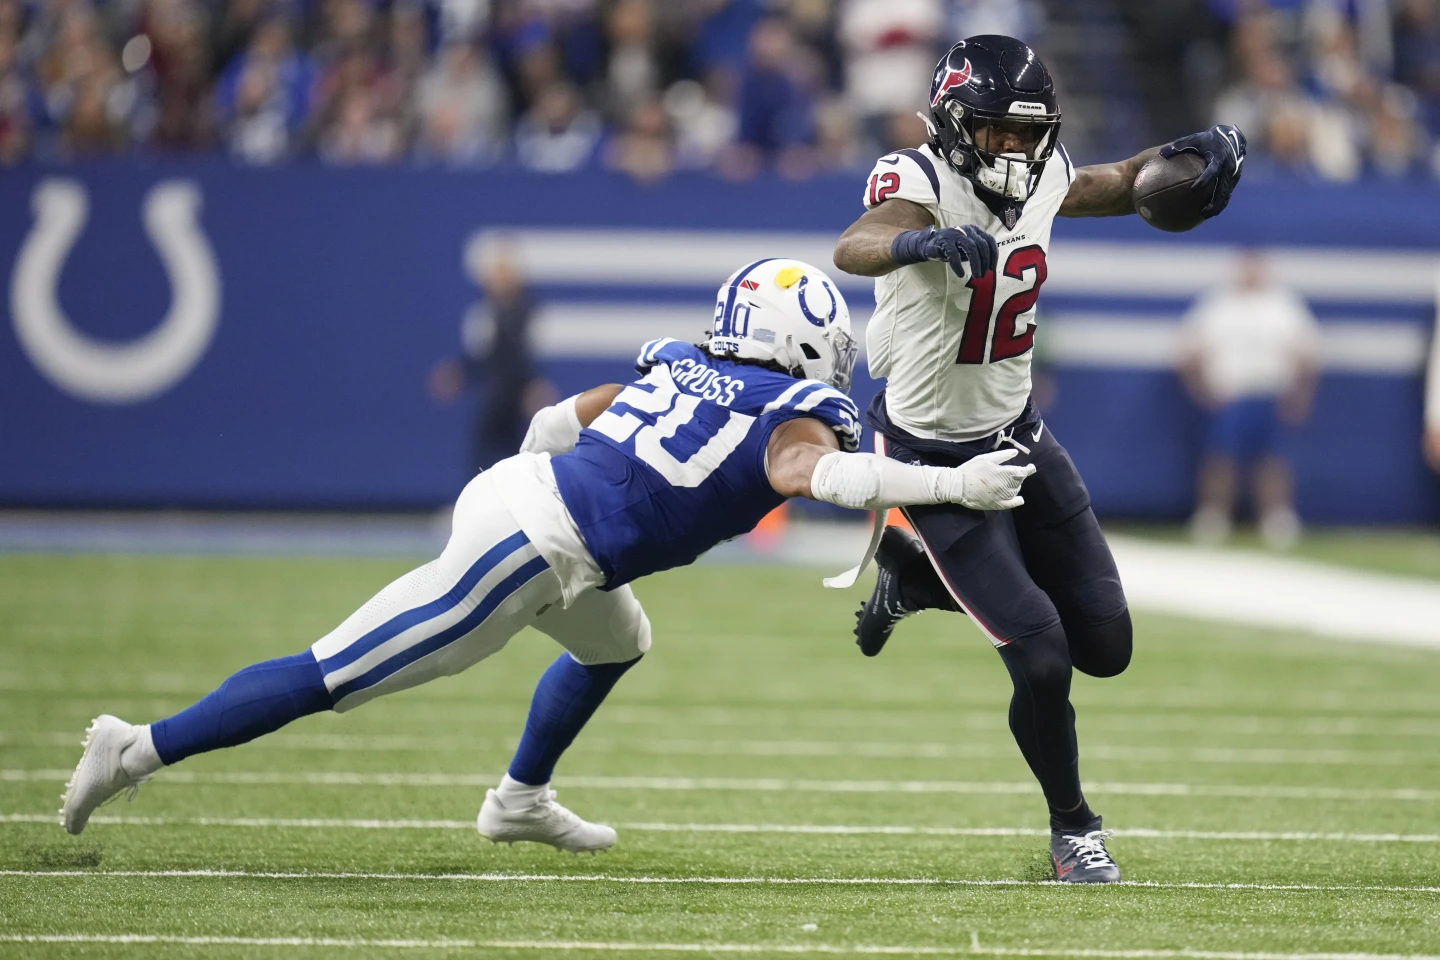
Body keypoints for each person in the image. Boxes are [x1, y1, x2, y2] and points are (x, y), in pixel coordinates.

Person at [59, 258, 1035, 850]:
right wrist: (952, 484)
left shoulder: (679, 365)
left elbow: (550, 419)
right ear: (802, 344)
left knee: (617, 640)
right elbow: (835, 482)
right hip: (533, 546)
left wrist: (526, 495)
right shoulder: (792, 420)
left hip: (533, 519)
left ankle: (519, 800)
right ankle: (134, 747)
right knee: (332, 676)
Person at [830, 35, 1246, 884]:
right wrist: (916, 245)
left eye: (1029, 134)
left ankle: (911, 580)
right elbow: (860, 241)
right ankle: (1073, 830)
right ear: (952, 124)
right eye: (997, 132)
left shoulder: (1045, 173)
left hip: (1019, 437)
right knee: (1044, 656)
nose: (1016, 152)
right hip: (933, 460)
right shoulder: (916, 177)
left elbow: (1123, 183)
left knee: (1108, 646)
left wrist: (1197, 151)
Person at [1178, 252, 1320, 548]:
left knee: (1272, 460)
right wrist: (1202, 389)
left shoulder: (1282, 304)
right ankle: (1214, 516)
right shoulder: (1219, 304)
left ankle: (1276, 518)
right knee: (1222, 457)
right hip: (1232, 394)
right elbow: (1190, 351)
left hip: (1270, 392)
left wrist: (1300, 396)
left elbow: (1306, 354)